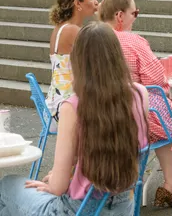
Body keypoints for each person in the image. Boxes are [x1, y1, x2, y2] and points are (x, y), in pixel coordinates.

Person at [0, 22, 148, 215]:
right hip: (123, 206)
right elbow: (114, 146)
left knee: (6, 186)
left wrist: (56, 180)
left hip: (79, 209)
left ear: (79, 60)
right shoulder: (140, 94)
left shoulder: (74, 106)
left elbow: (58, 187)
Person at [98, 0, 172, 208]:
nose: (136, 17)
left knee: (159, 117)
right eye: (134, 13)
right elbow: (155, 79)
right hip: (134, 110)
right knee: (165, 122)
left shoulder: (91, 39)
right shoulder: (134, 41)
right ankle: (170, 185)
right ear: (120, 16)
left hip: (100, 108)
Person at [45, 0, 98, 119]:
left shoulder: (62, 27)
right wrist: (103, 18)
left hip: (56, 102)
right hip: (66, 105)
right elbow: (102, 57)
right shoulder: (72, 31)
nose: (96, 2)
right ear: (77, 4)